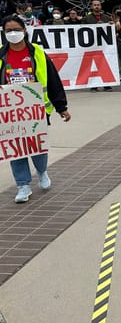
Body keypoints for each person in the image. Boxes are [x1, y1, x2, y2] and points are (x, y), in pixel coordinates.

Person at [0, 15, 71, 203]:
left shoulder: (37, 52)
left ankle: (42, 172)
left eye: (16, 29)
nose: (13, 34)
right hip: (11, 112)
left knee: (36, 147)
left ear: (24, 30)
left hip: (35, 109)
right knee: (16, 149)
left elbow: (53, 79)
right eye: (8, 31)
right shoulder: (1, 55)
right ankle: (23, 185)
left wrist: (61, 107)